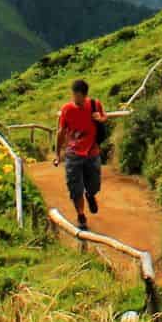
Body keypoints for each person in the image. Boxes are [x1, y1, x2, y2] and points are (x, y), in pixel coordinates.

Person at [54, 79, 107, 230]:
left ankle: (90, 195)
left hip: (92, 152)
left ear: (85, 95)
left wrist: (100, 118)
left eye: (78, 96)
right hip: (73, 154)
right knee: (75, 187)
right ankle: (81, 215)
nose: (75, 99)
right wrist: (58, 154)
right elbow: (61, 132)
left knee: (94, 185)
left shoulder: (95, 105)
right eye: (74, 95)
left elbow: (104, 117)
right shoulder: (67, 109)